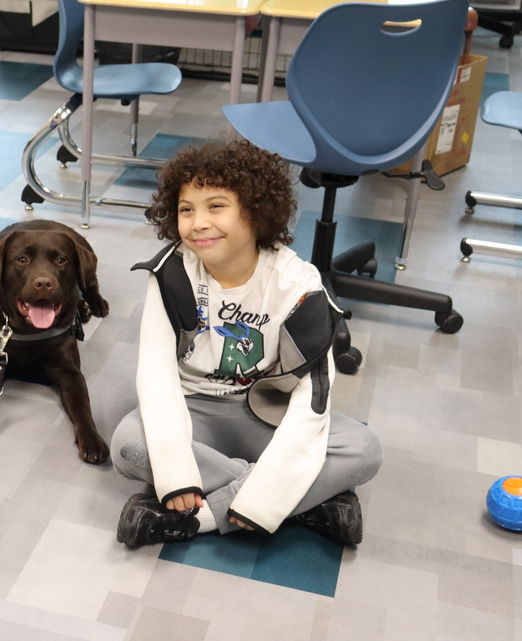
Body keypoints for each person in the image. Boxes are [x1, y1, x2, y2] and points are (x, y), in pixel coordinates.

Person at [112, 141, 383, 548]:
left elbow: (314, 399)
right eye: (187, 209)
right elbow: (155, 376)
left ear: (256, 213)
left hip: (268, 410)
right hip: (194, 408)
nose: (198, 223)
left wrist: (263, 495)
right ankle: (305, 504)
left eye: (216, 206)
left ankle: (200, 518)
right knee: (128, 445)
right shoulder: (169, 274)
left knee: (363, 449)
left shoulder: (300, 285)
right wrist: (177, 472)